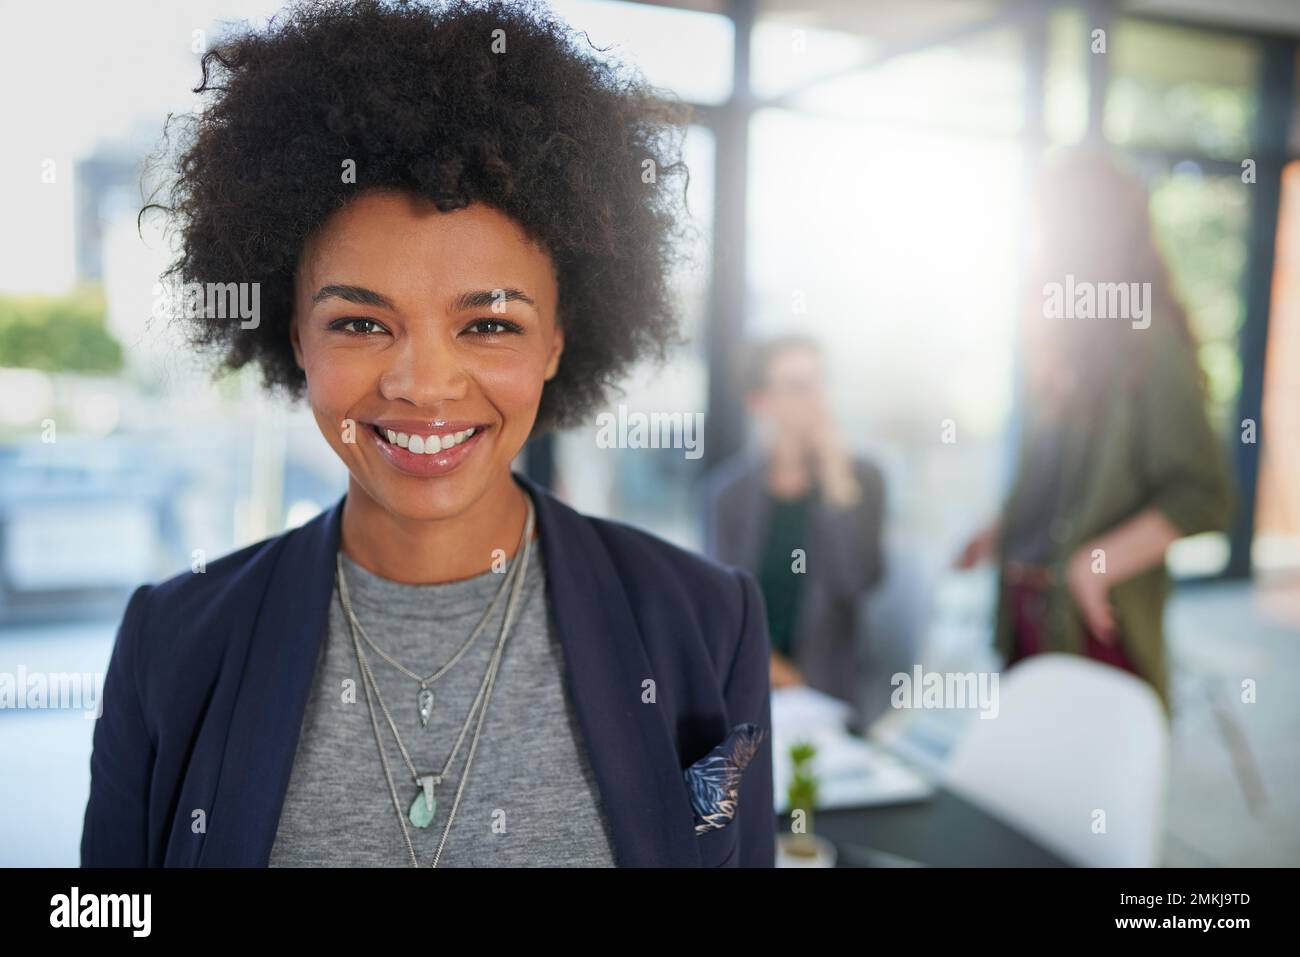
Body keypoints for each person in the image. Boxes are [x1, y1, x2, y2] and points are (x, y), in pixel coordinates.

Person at [81, 0, 773, 868]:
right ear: (296, 337)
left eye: (488, 325)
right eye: (361, 324)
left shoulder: (707, 621)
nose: (424, 385)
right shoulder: (172, 644)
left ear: (558, 340)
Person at [957, 146, 1233, 715]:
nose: (1039, 246)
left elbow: (1204, 494)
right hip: (1029, 609)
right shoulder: (1070, 346)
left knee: (1083, 789)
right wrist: (1003, 528)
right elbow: (1061, 482)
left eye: (1051, 226)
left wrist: (1097, 564)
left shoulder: (1147, 341)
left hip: (1089, 624)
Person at [702, 334, 886, 732]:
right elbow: (718, 603)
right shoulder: (728, 495)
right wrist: (764, 663)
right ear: (760, 401)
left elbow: (856, 582)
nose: (817, 399)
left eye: (821, 383)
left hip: (828, 693)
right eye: (799, 386)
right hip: (748, 683)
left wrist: (838, 484)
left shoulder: (862, 479)